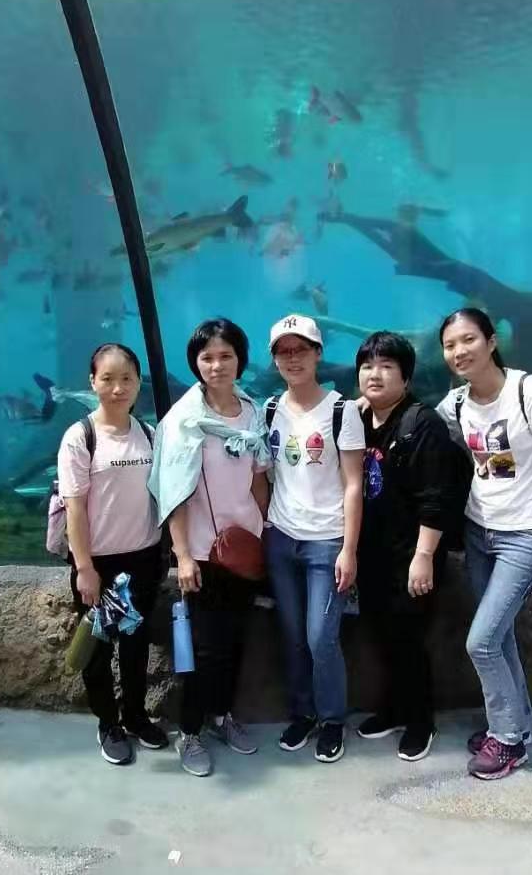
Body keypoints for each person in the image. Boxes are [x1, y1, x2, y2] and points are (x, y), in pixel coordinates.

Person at [437, 308, 532, 780]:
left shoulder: (529, 392)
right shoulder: (455, 403)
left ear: (492, 341)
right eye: (450, 345)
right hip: (479, 531)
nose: (459, 351)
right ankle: (516, 724)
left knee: (481, 643)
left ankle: (508, 741)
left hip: (524, 535)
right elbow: (425, 427)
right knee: (499, 636)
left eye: (468, 340)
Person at [149, 318, 271, 778]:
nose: (217, 365)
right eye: (207, 358)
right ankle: (190, 732)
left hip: (244, 549)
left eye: (226, 356)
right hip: (201, 553)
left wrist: (264, 534)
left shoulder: (252, 411)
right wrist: (181, 556)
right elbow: (174, 492)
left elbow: (258, 479)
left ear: (241, 359)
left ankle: (222, 716)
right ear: (195, 363)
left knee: (235, 641)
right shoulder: (184, 421)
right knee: (201, 650)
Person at [355, 331, 467, 761]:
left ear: (406, 376)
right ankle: (393, 710)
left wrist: (423, 557)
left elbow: (436, 497)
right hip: (373, 555)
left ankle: (421, 722)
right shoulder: (361, 419)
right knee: (382, 635)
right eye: (367, 366)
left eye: (386, 366)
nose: (375, 374)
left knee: (409, 640)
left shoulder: (422, 424)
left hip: (411, 555)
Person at [57, 342, 168, 766]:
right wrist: (84, 567)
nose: (118, 388)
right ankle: (108, 723)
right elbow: (75, 508)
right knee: (99, 648)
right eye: (108, 379)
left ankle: (136, 716)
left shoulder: (149, 434)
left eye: (126, 379)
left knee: (136, 644)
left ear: (139, 383)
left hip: (142, 559)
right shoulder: (80, 437)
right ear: (92, 382)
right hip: (99, 564)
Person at [263, 314, 365, 764]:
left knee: (321, 636)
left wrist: (349, 549)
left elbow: (353, 484)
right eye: (284, 351)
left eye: (301, 349)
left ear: (318, 353)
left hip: (327, 541)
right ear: (274, 359)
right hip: (281, 537)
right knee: (292, 635)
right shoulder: (270, 409)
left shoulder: (342, 411)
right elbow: (266, 473)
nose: (293, 358)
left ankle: (332, 719)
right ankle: (303, 713)